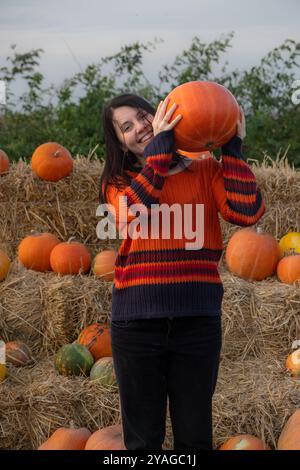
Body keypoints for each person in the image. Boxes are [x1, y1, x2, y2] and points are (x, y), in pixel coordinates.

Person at [99, 93, 265, 450]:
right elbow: (134, 212)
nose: (140, 128)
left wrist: (232, 150)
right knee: (143, 441)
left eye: (144, 117)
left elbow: (247, 211)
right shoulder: (116, 183)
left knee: (194, 438)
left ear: (162, 114)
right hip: (137, 325)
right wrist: (160, 151)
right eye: (126, 127)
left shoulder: (203, 167)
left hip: (196, 322)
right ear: (121, 144)